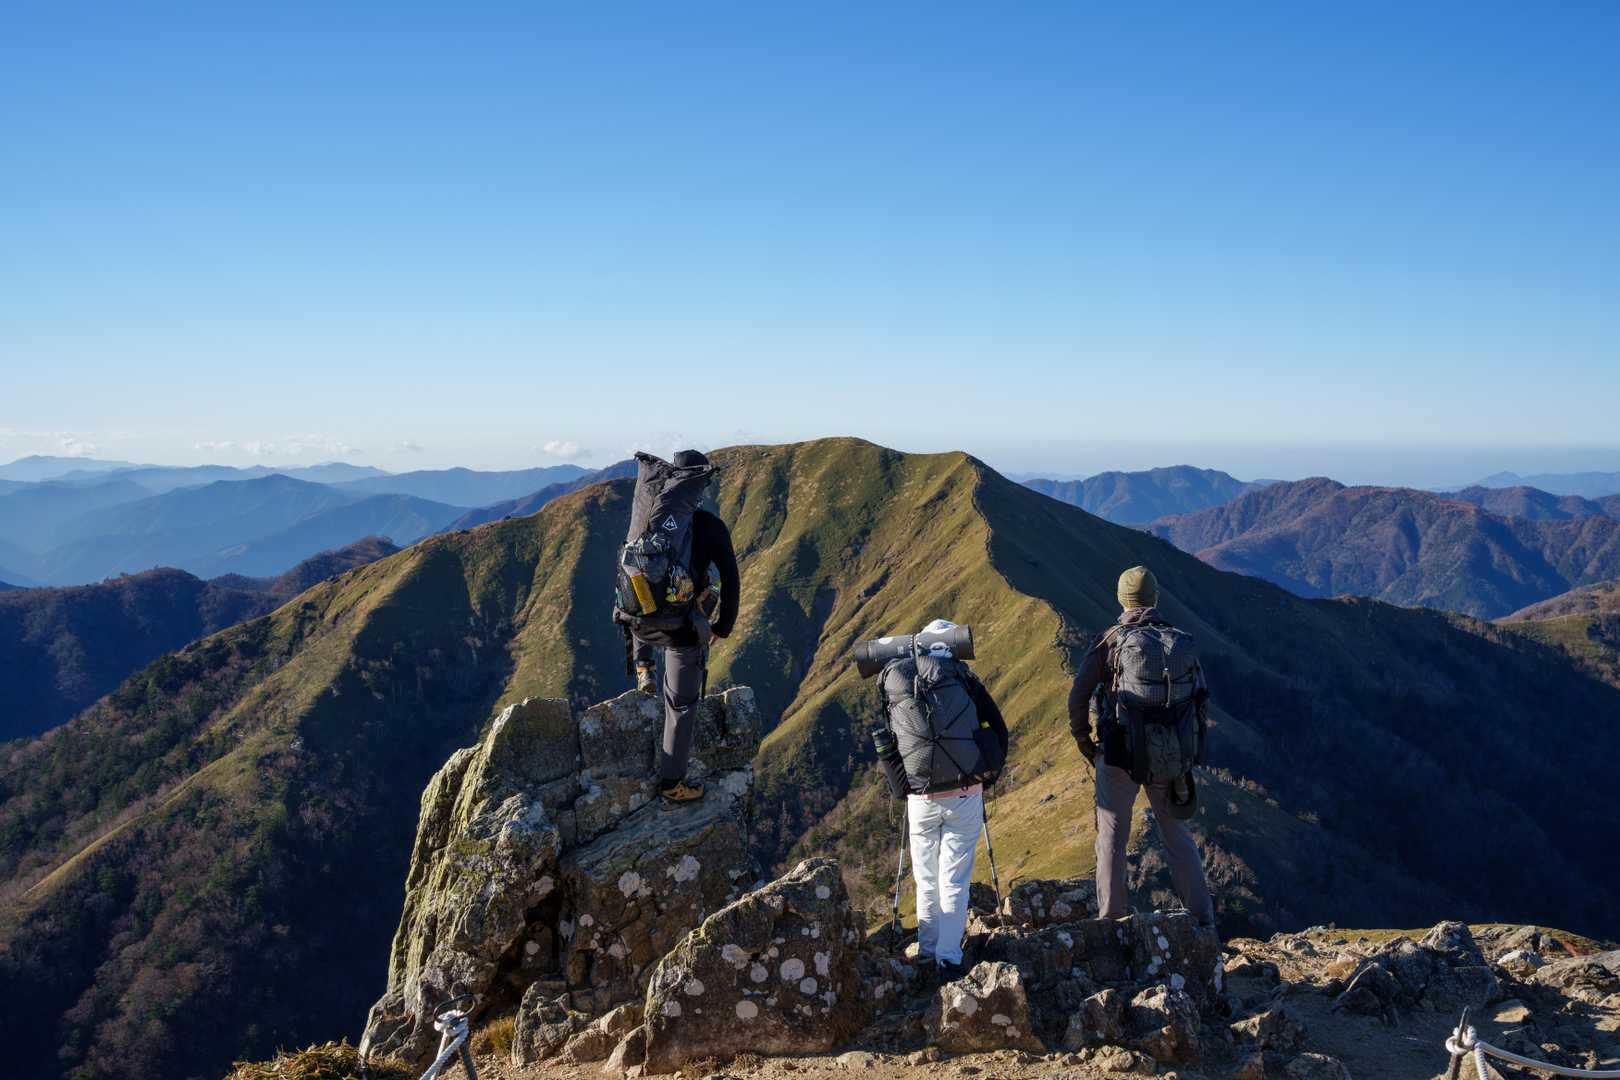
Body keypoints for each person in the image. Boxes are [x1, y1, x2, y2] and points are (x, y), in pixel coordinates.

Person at [1068, 566, 1216, 927]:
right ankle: (1202, 921)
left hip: (1120, 754)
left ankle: (1112, 921)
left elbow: (1078, 695)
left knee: (1112, 837)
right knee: (1177, 836)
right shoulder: (1178, 642)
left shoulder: (1110, 642)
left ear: (1122, 599)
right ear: (1154, 598)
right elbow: (1200, 699)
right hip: (1170, 756)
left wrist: (1084, 739)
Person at [873, 619, 1009, 980]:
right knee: (954, 879)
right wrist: (988, 775)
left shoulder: (898, 680)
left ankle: (927, 950)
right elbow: (998, 727)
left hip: (921, 798)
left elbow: (892, 737)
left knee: (927, 879)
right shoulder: (961, 677)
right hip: (965, 794)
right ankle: (948, 959)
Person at [624, 450, 740, 805]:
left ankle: (644, 667)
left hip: (636, 623)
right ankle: (672, 784)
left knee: (648, 598)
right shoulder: (710, 526)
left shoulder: (647, 519)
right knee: (681, 704)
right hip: (680, 632)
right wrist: (722, 626)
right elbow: (731, 578)